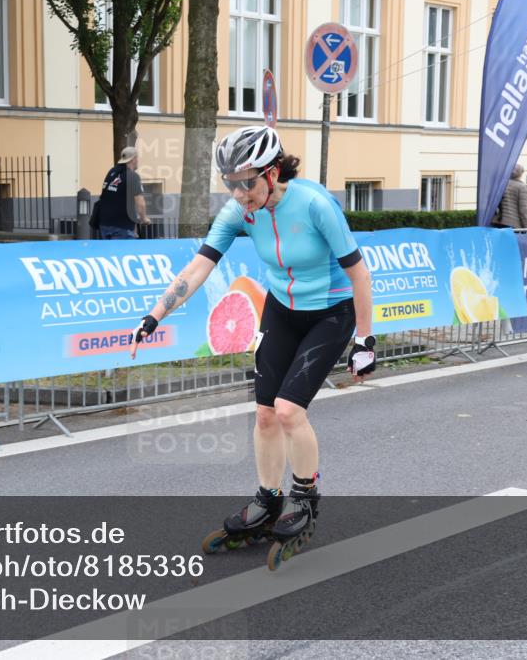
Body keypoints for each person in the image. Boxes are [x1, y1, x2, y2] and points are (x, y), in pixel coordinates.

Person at [128, 126, 376, 569]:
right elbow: (199, 267)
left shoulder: (315, 204)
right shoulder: (240, 211)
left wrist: (364, 340)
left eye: (246, 183)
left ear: (273, 172)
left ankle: (305, 498)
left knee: (288, 410)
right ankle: (269, 499)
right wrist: (155, 315)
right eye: (231, 184)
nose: (239, 194)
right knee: (264, 415)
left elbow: (360, 274)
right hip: (281, 309)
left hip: (330, 312)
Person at [97, 146, 151, 239]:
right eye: (137, 158)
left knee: (110, 249)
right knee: (124, 248)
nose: (138, 161)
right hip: (122, 227)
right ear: (133, 159)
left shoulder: (112, 172)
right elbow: (140, 203)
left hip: (105, 224)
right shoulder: (133, 176)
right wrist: (143, 219)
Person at [492, 163, 527, 229]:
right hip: (513, 224)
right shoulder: (521, 187)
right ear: (520, 174)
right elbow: (524, 211)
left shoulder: (500, 184)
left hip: (497, 222)